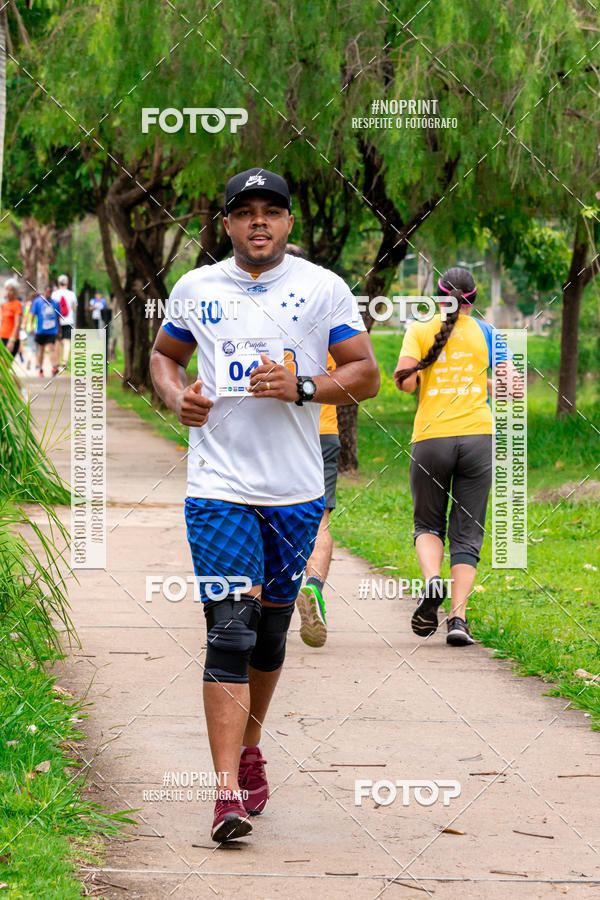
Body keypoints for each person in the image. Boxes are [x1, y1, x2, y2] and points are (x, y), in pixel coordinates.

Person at [150, 167, 379, 843]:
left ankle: (251, 749)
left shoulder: (322, 288)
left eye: (270, 212)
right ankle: (226, 795)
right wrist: (174, 398)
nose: (258, 222)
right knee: (229, 628)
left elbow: (364, 374)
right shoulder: (197, 288)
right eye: (244, 212)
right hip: (217, 485)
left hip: (296, 492)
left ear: (287, 224)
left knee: (270, 636)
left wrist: (306, 385)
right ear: (226, 225)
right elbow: (164, 357)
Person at [394, 266, 514, 647]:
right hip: (479, 439)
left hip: (431, 438)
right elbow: (513, 388)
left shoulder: (418, 328)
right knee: (468, 532)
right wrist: (481, 382)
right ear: (473, 299)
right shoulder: (490, 333)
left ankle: (433, 582)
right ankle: (458, 620)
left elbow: (405, 381)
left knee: (427, 524)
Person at [31, 285, 61, 377]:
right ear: (44, 291)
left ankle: (54, 366)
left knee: (51, 348)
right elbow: (32, 314)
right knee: (41, 350)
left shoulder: (55, 303)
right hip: (41, 330)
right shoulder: (38, 302)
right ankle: (40, 369)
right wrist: (31, 325)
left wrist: (59, 330)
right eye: (47, 292)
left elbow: (58, 317)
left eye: (50, 292)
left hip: (52, 330)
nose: (49, 294)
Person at [52, 274, 77, 367]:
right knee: (67, 341)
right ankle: (64, 361)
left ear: (58, 283)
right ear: (67, 283)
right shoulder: (71, 294)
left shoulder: (54, 294)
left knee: (57, 341)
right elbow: (74, 308)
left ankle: (57, 362)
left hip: (56, 322)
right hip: (68, 321)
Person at [0, 279, 23, 358]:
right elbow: (2, 322)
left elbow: (17, 324)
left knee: (6, 363)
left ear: (15, 292)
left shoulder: (17, 304)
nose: (8, 292)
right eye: (7, 289)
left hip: (11, 338)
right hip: (2, 337)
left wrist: (12, 340)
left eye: (11, 290)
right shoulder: (4, 305)